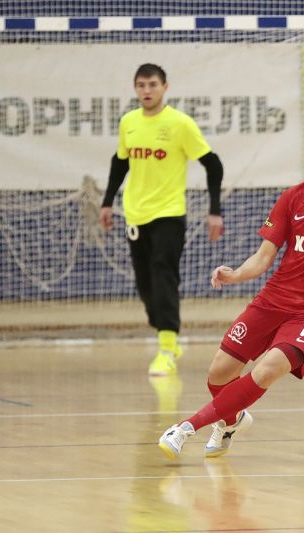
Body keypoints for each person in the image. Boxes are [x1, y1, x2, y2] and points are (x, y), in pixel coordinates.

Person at [157, 119, 304, 460]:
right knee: (219, 375)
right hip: (274, 300)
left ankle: (185, 428)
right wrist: (235, 275)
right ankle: (232, 421)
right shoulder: (292, 198)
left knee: (268, 369)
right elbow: (264, 257)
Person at [100, 63, 225, 376]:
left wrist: (214, 210)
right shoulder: (128, 122)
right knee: (145, 285)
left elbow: (213, 164)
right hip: (135, 214)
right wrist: (107, 202)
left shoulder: (180, 124)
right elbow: (120, 163)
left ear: (165, 88)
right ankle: (166, 334)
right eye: (141, 85)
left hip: (169, 213)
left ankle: (166, 349)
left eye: (152, 84)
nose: (147, 90)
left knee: (162, 273)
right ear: (135, 88)